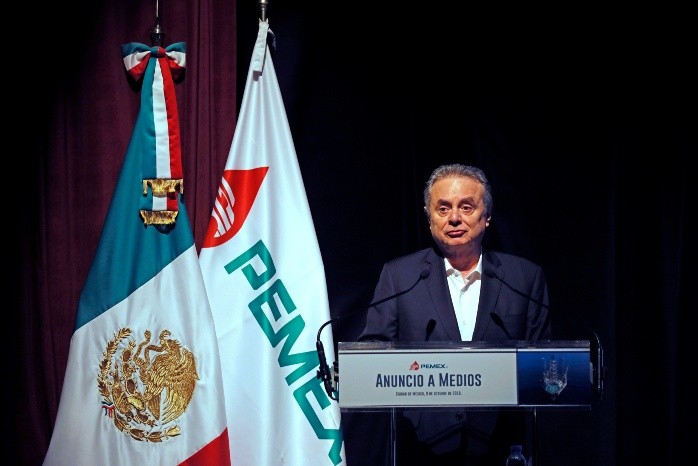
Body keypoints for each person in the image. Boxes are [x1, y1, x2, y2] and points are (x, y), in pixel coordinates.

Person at [358, 163, 552, 466]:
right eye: (443, 208)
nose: (454, 218)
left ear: (486, 216)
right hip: (422, 449)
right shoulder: (400, 277)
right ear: (429, 217)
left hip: (503, 447)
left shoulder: (523, 278)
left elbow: (544, 363)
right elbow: (373, 355)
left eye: (466, 207)